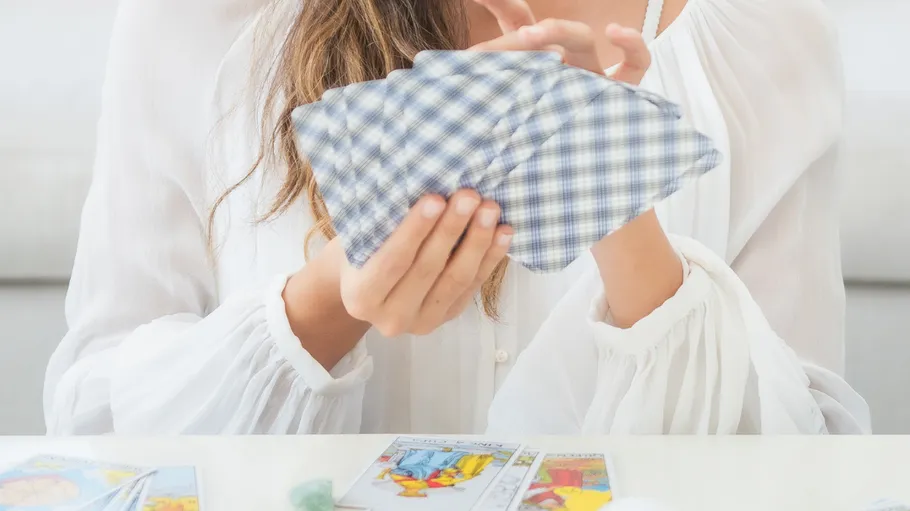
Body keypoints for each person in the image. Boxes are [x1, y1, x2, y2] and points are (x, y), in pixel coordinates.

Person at [44, 0, 870, 435]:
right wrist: (331, 297)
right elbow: (93, 424)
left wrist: (610, 181)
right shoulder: (196, 22)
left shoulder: (768, 33)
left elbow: (806, 452)